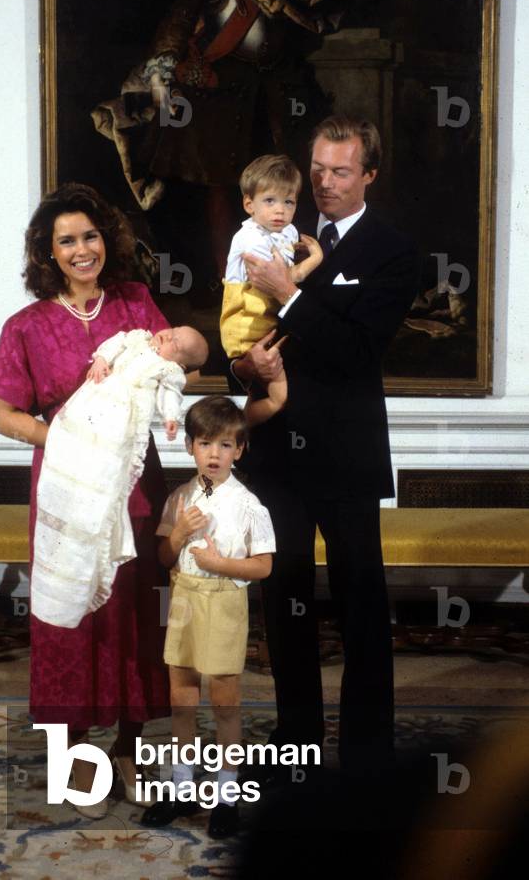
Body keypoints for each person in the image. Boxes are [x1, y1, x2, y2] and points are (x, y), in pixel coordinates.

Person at [93, 0, 397, 285]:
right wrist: (164, 64)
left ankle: (290, 278)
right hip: (220, 95)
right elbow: (180, 16)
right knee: (221, 190)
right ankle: (229, 282)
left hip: (274, 92)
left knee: (285, 182)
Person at [0, 183, 174, 817]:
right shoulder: (26, 325)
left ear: (105, 240)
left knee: (131, 614)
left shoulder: (137, 302)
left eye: (90, 236)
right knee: (69, 617)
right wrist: (65, 440)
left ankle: (128, 746)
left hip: (133, 485)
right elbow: (6, 415)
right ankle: (74, 758)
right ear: (48, 253)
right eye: (67, 241)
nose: (82, 249)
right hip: (64, 486)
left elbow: (176, 368)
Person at [231, 115, 421, 774]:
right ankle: (297, 748)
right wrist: (242, 369)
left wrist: (289, 294)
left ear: (369, 173)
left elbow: (356, 349)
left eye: (340, 170)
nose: (323, 182)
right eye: (316, 168)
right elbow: (238, 330)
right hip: (277, 452)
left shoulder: (395, 251)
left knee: (360, 604)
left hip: (347, 454)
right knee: (284, 606)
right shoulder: (276, 233)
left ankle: (367, 758)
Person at [141, 396, 275, 838]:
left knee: (223, 703)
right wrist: (178, 535)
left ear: (240, 450)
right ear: (191, 449)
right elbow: (163, 557)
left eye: (224, 445)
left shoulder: (250, 505)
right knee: (181, 697)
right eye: (204, 443)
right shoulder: (178, 499)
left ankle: (227, 796)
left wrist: (222, 565)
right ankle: (181, 788)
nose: (214, 454)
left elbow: (263, 567)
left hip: (223, 601)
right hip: (183, 599)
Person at [31, 324, 208, 629]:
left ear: (179, 362)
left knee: (105, 469)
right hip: (91, 402)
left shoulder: (169, 371)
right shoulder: (136, 338)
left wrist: (169, 419)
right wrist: (101, 360)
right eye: (173, 330)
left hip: (119, 418)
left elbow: (170, 395)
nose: (169, 336)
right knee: (70, 438)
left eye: (177, 344)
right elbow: (112, 344)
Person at [220, 153, 323, 359]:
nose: (280, 210)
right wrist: (315, 259)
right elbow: (282, 279)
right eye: (269, 201)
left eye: (288, 202)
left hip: (271, 318)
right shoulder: (250, 238)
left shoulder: (289, 230)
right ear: (249, 205)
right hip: (247, 326)